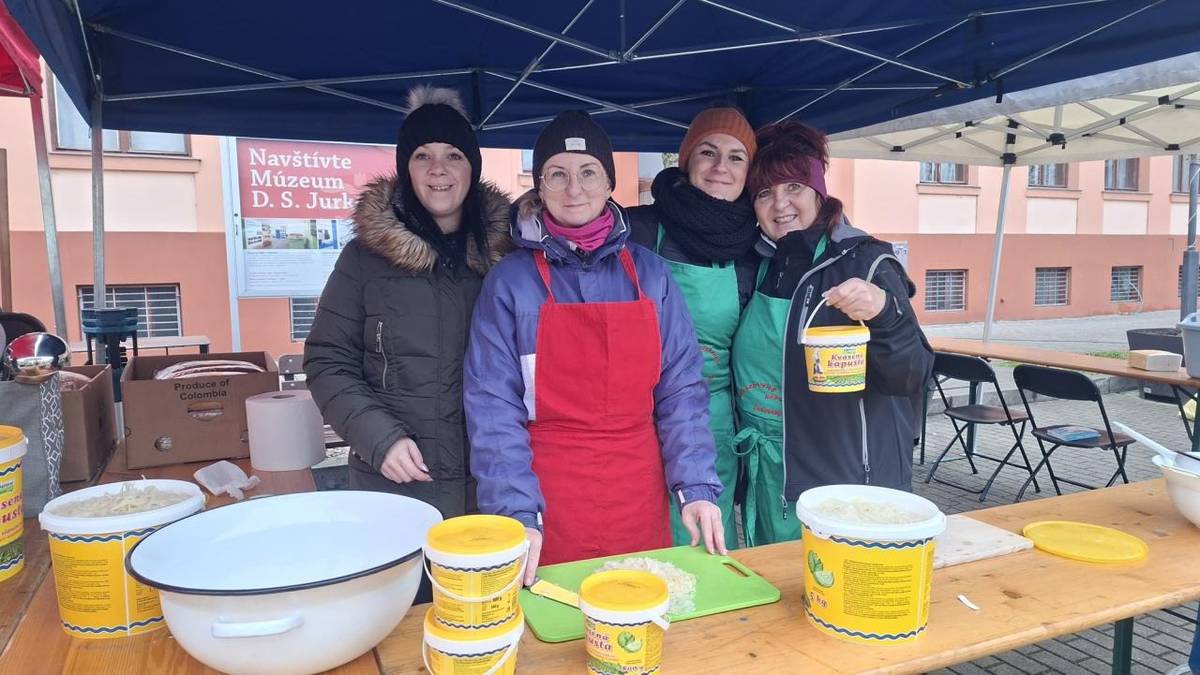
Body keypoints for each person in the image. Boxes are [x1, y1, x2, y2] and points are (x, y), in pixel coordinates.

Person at [464, 109, 725, 583]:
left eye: (588, 173)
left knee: (637, 619)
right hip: (548, 496)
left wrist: (696, 484)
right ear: (538, 186)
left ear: (609, 184)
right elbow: (493, 407)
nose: (574, 189)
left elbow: (682, 390)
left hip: (637, 488)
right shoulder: (510, 283)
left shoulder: (650, 274)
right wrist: (517, 512)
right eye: (557, 175)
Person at [304, 86, 512, 531]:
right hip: (395, 491)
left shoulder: (508, 257)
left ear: (472, 167)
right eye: (423, 155)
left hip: (492, 490)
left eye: (453, 154)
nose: (439, 170)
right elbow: (327, 361)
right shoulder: (365, 258)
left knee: (485, 600)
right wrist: (379, 439)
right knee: (404, 603)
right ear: (405, 168)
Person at [732, 120, 933, 546]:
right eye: (764, 193)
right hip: (771, 473)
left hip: (843, 477)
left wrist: (885, 313)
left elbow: (912, 373)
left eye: (793, 187)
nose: (779, 204)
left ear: (819, 193)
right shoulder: (762, 263)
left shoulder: (868, 263)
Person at [627, 107, 760, 549]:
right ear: (686, 161)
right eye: (708, 152)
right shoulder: (640, 228)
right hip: (640, 415)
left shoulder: (754, 246)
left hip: (712, 423)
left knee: (705, 549)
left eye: (736, 157)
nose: (721, 167)